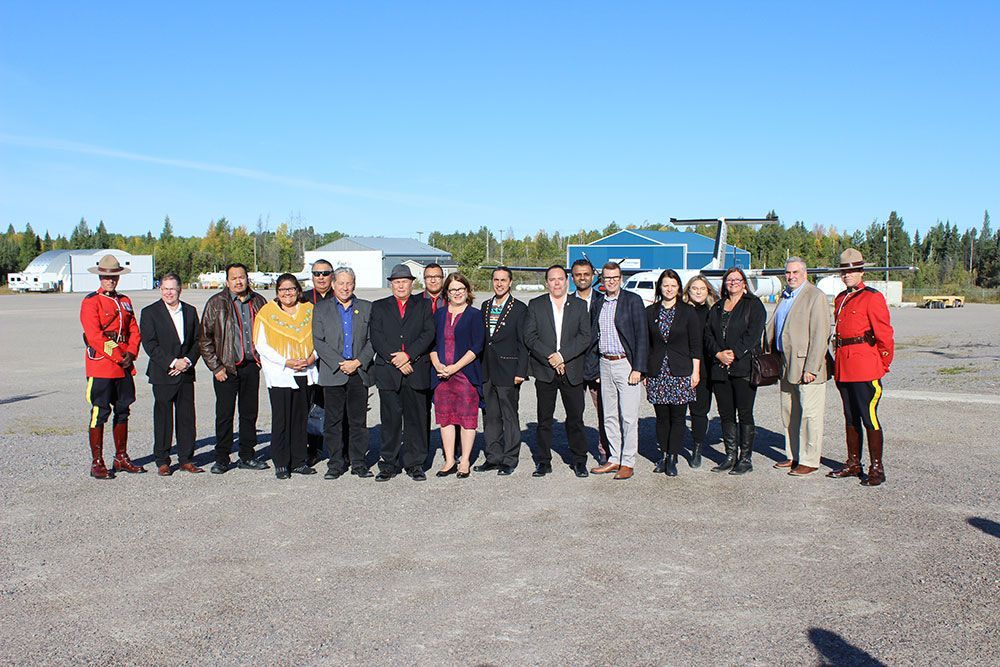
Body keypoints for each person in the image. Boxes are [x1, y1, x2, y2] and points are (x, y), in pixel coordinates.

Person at [827, 248, 895, 487]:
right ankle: (853, 462)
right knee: (850, 416)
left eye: (852, 271)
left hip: (865, 366)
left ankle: (877, 468)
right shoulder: (840, 298)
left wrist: (882, 364)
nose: (847, 275)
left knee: (869, 417)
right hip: (844, 365)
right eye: (844, 272)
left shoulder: (872, 297)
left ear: (861, 272)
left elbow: (885, 335)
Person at [199, 263, 269, 474]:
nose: (239, 281)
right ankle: (221, 457)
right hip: (226, 368)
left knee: (249, 413)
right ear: (227, 281)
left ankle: (247, 455)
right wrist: (216, 367)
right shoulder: (216, 303)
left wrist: (262, 360)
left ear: (248, 279)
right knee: (224, 414)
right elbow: (204, 339)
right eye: (234, 278)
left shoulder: (258, 301)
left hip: (250, 366)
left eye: (242, 277)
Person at [80, 255, 145, 478]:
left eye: (114, 276)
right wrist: (119, 355)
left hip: (124, 365)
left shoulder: (125, 300)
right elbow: (94, 335)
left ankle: (121, 457)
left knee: (123, 410)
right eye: (106, 277)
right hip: (102, 366)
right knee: (100, 412)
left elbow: (134, 330)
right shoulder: (91, 302)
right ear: (100, 277)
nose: (110, 281)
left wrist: (131, 353)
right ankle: (97, 461)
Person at [524, 265, 592, 478]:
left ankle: (579, 461)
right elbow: (530, 337)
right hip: (545, 371)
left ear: (567, 281)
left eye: (560, 279)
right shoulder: (536, 305)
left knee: (575, 419)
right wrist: (552, 357)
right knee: (544, 420)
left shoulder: (580, 306)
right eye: (552, 279)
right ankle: (543, 462)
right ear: (547, 283)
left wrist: (562, 356)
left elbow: (584, 337)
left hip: (572, 370)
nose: (556, 283)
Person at [766, 258, 832, 476]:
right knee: (789, 412)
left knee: (810, 415)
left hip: (806, 366)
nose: (791, 276)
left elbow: (821, 334)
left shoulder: (815, 296)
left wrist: (812, 367)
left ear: (805, 273)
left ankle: (810, 459)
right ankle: (793, 454)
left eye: (795, 272)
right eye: (788, 272)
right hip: (786, 364)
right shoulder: (785, 296)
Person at [370, 264, 436, 482]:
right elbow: (377, 337)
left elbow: (428, 334)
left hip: (415, 370)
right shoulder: (379, 306)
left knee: (416, 420)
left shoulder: (424, 305)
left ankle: (415, 463)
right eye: (397, 282)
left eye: (405, 281)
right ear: (391, 284)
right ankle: (388, 463)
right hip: (389, 372)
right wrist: (395, 359)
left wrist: (408, 356)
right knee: (390, 421)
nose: (401, 285)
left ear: (412, 283)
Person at [312, 266, 375, 479]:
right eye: (341, 283)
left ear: (354, 284)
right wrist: (341, 363)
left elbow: (372, 340)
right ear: (333, 284)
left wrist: (357, 362)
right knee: (333, 421)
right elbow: (318, 341)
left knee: (358, 421)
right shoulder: (321, 309)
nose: (345, 287)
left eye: (349, 283)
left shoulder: (367, 308)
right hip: (333, 372)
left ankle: (358, 462)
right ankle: (336, 462)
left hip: (359, 372)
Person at [587, 262, 648, 480]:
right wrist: (594, 367)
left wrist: (639, 367)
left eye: (614, 277)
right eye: (606, 277)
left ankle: (628, 461)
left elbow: (642, 336)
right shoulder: (598, 303)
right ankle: (614, 458)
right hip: (605, 364)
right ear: (601, 280)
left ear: (620, 278)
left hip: (626, 364)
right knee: (609, 415)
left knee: (629, 416)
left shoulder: (632, 300)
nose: (610, 281)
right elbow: (594, 336)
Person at [254, 274, 319, 479]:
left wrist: (311, 358)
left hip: (305, 370)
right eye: (283, 290)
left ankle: (299, 460)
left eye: (291, 289)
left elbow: (320, 337)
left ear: (298, 290)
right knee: (282, 419)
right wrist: (286, 361)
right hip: (281, 373)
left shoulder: (309, 311)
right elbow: (261, 345)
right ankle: (281, 462)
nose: (287, 293)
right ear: (277, 293)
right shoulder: (267, 313)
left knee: (301, 419)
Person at [704, 267, 766, 475]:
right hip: (720, 368)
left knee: (745, 413)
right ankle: (730, 455)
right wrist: (719, 354)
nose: (733, 283)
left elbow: (753, 334)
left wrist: (735, 353)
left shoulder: (753, 305)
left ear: (744, 283)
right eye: (729, 280)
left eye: (737, 280)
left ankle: (745, 458)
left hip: (743, 368)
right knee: (726, 413)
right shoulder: (718, 307)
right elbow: (708, 335)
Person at [139, 273, 203, 476]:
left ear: (179, 290)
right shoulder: (150, 312)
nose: (168, 292)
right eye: (165, 288)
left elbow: (197, 341)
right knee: (163, 418)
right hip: (163, 373)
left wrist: (187, 362)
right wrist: (173, 362)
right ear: (160, 290)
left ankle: (186, 459)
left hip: (185, 373)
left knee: (186, 418)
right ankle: (162, 460)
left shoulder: (190, 311)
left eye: (172, 289)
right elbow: (150, 344)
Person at [644, 270, 701, 476]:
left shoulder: (688, 312)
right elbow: (647, 344)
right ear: (660, 287)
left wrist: (696, 372)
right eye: (665, 285)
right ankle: (664, 454)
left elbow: (696, 345)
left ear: (678, 288)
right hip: (658, 372)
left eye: (673, 285)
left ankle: (673, 458)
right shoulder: (650, 312)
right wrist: (645, 372)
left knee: (678, 417)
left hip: (680, 371)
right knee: (661, 418)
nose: (669, 289)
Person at [475, 267, 529, 476]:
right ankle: (493, 456)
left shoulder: (519, 308)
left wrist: (521, 372)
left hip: (509, 369)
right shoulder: (486, 306)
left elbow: (523, 344)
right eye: (496, 280)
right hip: (487, 369)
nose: (499, 283)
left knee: (509, 416)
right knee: (490, 416)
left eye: (503, 280)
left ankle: (509, 458)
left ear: (510, 282)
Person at [430, 273, 484, 478]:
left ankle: (465, 461)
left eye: (461, 289)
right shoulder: (440, 314)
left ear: (467, 291)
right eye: (453, 290)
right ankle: (449, 460)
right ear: (447, 293)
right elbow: (432, 343)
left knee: (466, 420)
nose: (457, 293)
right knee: (445, 420)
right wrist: (438, 365)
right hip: (441, 376)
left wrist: (454, 367)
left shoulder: (474, 314)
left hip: (465, 375)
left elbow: (477, 346)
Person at [571, 258, 610, 464]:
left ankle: (605, 449)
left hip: (598, 366)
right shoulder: (567, 302)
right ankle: (577, 452)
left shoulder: (604, 301)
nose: (583, 278)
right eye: (578, 274)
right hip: (574, 366)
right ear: (572, 277)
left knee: (604, 412)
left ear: (593, 276)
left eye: (586, 274)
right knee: (575, 413)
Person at [302, 258, 337, 466]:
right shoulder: (303, 299)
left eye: (325, 273)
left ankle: (338, 447)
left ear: (332, 275)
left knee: (333, 406)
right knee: (309, 406)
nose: (321, 277)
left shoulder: (341, 295)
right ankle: (312, 448)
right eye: (317, 273)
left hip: (333, 362)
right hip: (308, 362)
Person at [682, 275, 719, 468]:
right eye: (694, 288)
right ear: (688, 291)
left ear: (708, 292)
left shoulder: (714, 312)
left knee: (699, 411)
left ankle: (697, 448)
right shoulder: (681, 311)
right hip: (683, 366)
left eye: (702, 289)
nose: (697, 292)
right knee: (679, 410)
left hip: (707, 369)